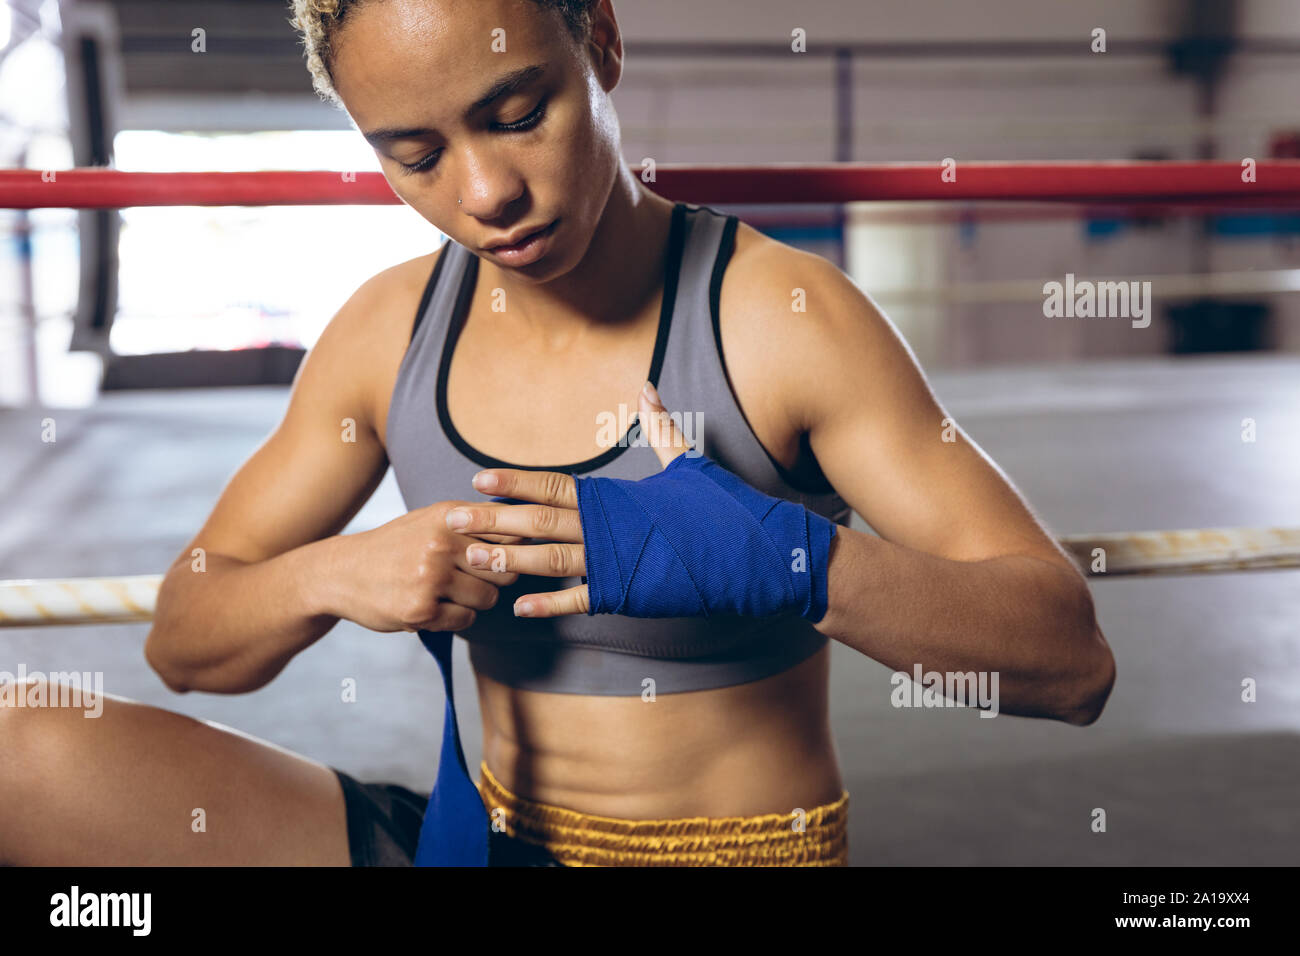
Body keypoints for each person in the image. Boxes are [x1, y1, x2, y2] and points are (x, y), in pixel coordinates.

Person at [0, 0, 1114, 867]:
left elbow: (1069, 662)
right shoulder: (389, 330)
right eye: (416, 154)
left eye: (517, 112)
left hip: (729, 850)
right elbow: (186, 638)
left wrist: (783, 557)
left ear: (603, 44)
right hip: (469, 837)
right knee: (21, 751)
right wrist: (336, 574)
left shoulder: (782, 321)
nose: (486, 193)